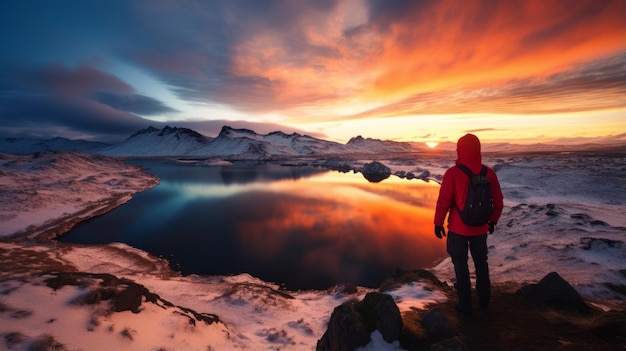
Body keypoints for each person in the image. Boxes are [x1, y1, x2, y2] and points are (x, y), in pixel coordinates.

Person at [434, 134, 504, 316]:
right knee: (481, 263)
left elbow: (444, 201)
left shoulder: (453, 173)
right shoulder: (489, 173)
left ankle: (465, 305)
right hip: (480, 228)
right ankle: (484, 301)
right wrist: (493, 220)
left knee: (461, 265)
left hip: (458, 229)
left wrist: (438, 223)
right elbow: (498, 201)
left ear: (460, 150)